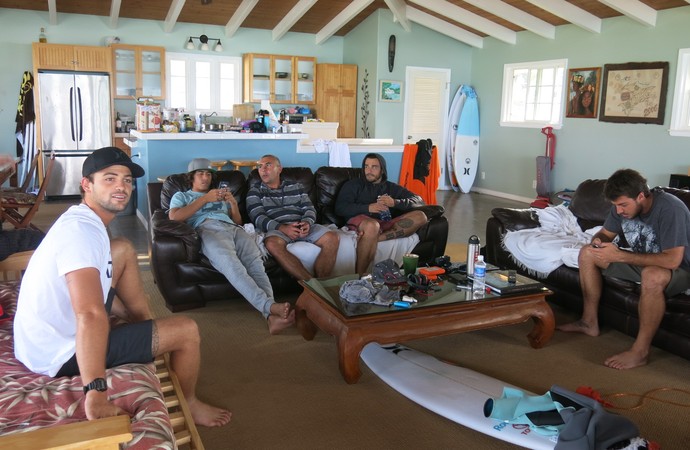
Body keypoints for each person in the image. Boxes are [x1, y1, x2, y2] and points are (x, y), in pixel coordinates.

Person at [13, 147, 231, 427]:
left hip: (41, 336)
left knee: (123, 249)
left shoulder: (85, 219)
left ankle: (143, 325)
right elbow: (89, 315)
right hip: (59, 352)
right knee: (187, 330)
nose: (121, 186)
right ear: (86, 184)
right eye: (110, 178)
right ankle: (190, 401)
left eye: (127, 180)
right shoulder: (81, 234)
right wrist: (95, 392)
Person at [558, 169, 690, 370]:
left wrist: (619, 255)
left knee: (652, 275)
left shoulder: (671, 209)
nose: (619, 211)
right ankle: (588, 322)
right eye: (615, 206)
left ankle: (640, 352)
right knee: (587, 253)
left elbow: (672, 259)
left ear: (640, 196)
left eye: (623, 205)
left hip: (681, 268)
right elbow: (605, 233)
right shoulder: (621, 207)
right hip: (644, 260)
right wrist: (598, 244)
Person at [168, 158, 294, 334]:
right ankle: (269, 307)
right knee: (233, 267)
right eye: (200, 173)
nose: (205, 178)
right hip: (208, 229)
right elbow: (174, 218)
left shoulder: (218, 197)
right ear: (192, 178)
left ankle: (271, 317)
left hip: (234, 229)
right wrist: (204, 199)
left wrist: (233, 204)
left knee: (256, 265)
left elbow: (237, 221)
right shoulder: (182, 196)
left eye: (208, 174)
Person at [246, 154, 339, 281]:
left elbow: (309, 208)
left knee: (332, 237)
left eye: (268, 165)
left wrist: (307, 222)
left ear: (279, 169)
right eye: (260, 166)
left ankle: (322, 284)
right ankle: (311, 285)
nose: (263, 169)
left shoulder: (296, 187)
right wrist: (283, 228)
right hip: (278, 230)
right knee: (272, 243)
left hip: (302, 225)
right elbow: (258, 217)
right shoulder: (254, 191)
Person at [335, 153, 428, 274]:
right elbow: (340, 208)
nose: (369, 170)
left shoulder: (391, 187)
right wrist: (368, 208)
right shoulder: (353, 185)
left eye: (374, 167)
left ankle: (375, 239)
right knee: (372, 226)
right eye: (366, 166)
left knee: (421, 216)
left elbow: (419, 201)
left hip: (385, 224)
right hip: (363, 222)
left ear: (382, 170)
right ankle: (360, 276)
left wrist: (395, 202)